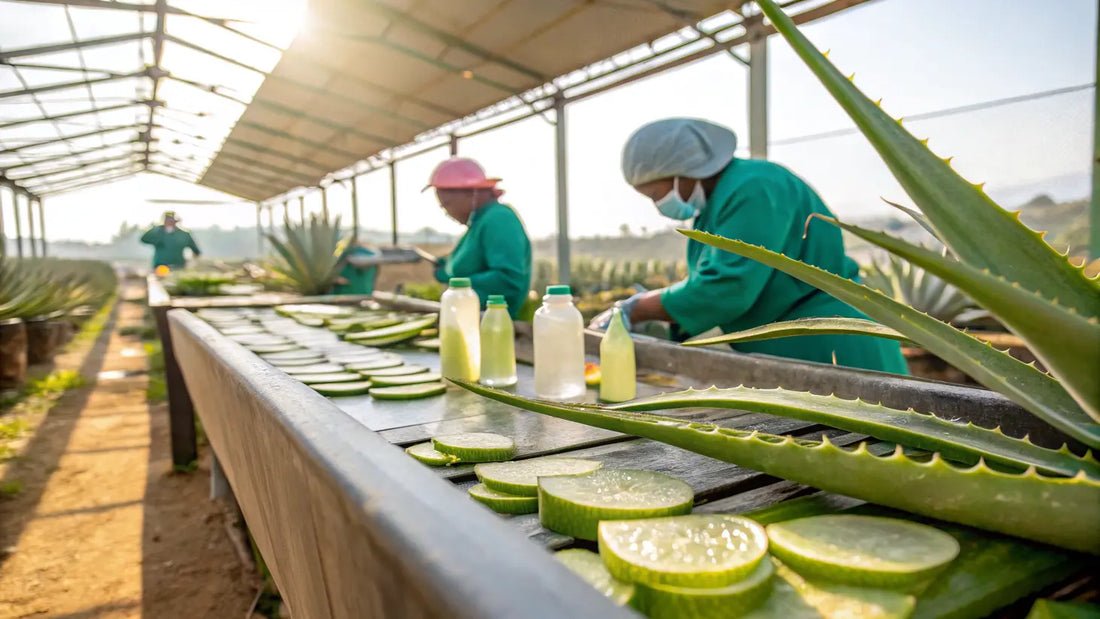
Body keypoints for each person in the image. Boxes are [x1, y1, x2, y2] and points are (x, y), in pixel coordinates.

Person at [590, 118, 908, 374]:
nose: (659, 205)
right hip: (796, 349)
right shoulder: (720, 203)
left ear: (684, 171)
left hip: (831, 346)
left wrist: (638, 307)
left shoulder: (754, 187)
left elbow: (726, 287)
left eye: (656, 195)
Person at [422, 157, 531, 318]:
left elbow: (508, 280)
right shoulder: (478, 223)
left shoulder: (499, 219)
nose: (446, 212)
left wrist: (456, 284)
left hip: (495, 325)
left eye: (447, 204)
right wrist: (446, 267)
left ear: (472, 193)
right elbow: (472, 263)